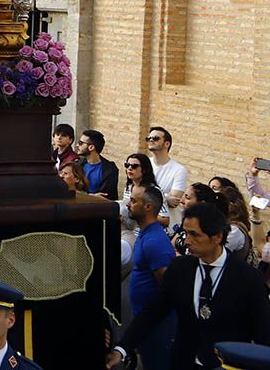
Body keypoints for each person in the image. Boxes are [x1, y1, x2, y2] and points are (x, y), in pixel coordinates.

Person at [107, 202, 270, 369]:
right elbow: (153, 312)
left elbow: (263, 331)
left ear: (217, 237)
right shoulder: (181, 269)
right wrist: (122, 348)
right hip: (183, 362)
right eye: (185, 233)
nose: (187, 241)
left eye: (194, 235)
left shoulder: (247, 278)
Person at [126, 184, 177, 370]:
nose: (129, 204)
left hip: (157, 326)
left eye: (133, 200)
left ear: (148, 207)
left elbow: (168, 288)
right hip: (145, 322)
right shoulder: (146, 235)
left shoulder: (154, 241)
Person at [148, 126, 190, 228]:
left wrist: (145, 195)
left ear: (167, 144)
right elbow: (135, 193)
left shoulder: (179, 170)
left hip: (165, 226)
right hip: (142, 223)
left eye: (156, 138)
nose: (151, 140)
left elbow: (174, 202)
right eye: (149, 138)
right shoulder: (144, 164)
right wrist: (166, 198)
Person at [76, 129, 118, 200]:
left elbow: (104, 196)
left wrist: (85, 195)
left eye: (81, 143)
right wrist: (92, 196)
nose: (77, 145)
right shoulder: (77, 164)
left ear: (91, 147)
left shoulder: (110, 169)